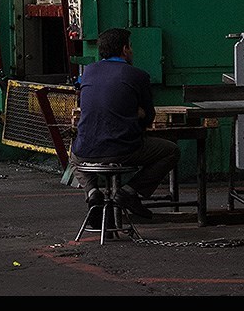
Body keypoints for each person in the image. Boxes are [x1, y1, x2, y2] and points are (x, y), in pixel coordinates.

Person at [69, 28, 180, 228]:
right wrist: (136, 114)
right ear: (124, 49)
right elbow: (149, 117)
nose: (132, 51)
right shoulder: (137, 75)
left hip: (86, 150)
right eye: (131, 47)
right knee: (171, 151)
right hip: (122, 150)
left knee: (75, 156)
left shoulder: (88, 72)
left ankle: (93, 193)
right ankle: (129, 192)